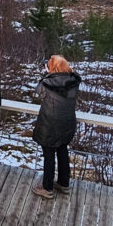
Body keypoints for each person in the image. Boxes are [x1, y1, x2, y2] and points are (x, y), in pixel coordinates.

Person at [31, 55, 81, 199]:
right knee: (62, 150)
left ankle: (47, 188)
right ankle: (64, 184)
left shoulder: (47, 83)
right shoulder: (74, 82)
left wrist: (46, 74)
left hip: (50, 123)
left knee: (49, 155)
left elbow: (38, 91)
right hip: (67, 122)